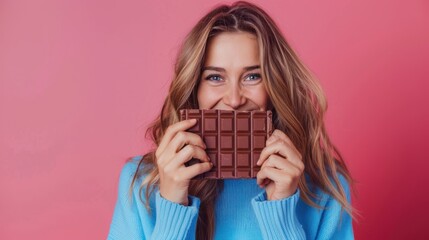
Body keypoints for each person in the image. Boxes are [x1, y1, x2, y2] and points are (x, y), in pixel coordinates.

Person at [108, 1, 356, 239]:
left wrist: (282, 215)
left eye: (252, 77)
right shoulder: (141, 183)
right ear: (194, 88)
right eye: (215, 78)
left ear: (275, 84)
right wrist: (172, 205)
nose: (235, 99)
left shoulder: (325, 186)